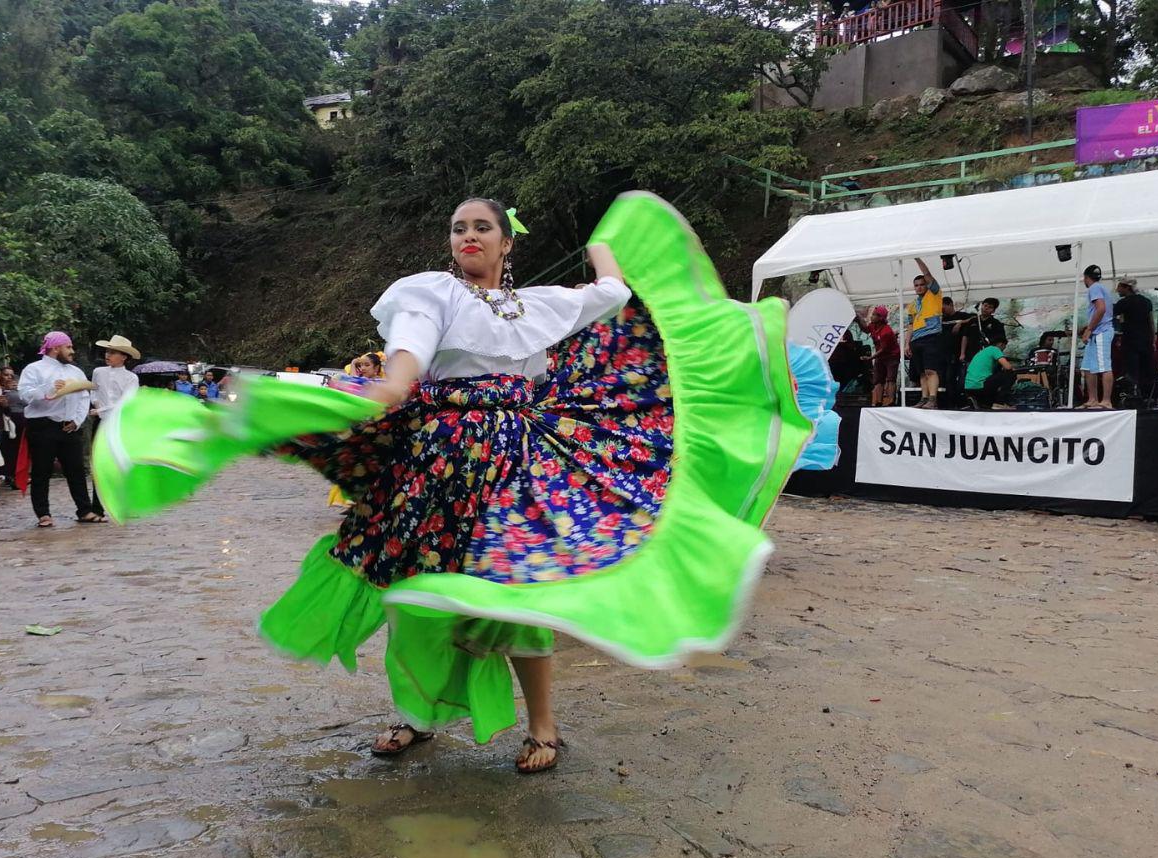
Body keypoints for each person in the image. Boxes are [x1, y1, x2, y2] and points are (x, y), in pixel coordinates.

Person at [92, 193, 838, 777]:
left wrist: (604, 245)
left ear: (507, 243)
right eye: (458, 229)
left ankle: (543, 727)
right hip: (438, 463)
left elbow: (610, 294)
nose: (468, 237)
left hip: (520, 464)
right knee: (415, 587)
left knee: (525, 586)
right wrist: (388, 387)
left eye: (482, 227)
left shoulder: (539, 305)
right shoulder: (430, 294)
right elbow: (407, 361)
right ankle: (418, 716)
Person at [17, 331, 99, 526]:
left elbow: (84, 397)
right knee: (41, 471)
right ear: (55, 348)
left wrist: (77, 420)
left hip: (69, 426)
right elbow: (24, 395)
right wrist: (50, 388)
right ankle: (43, 514)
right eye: (68, 347)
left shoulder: (75, 371)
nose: (72, 351)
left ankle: (85, 510)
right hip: (43, 425)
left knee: (76, 470)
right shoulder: (34, 369)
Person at [88, 335, 141, 517]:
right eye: (107, 352)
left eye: (112, 352)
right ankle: (97, 506)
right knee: (99, 464)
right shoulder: (98, 372)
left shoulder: (131, 378)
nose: (108, 355)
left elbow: (126, 402)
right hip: (101, 421)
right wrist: (97, 405)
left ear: (124, 356)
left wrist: (101, 409)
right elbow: (94, 392)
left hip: (119, 424)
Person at [904, 258, 944, 408]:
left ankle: (933, 399)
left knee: (930, 370)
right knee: (921, 372)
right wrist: (907, 344)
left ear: (927, 284)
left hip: (931, 337)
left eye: (922, 284)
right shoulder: (913, 304)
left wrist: (917, 258)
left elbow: (927, 274)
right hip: (916, 339)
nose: (919, 287)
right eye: (916, 285)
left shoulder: (934, 293)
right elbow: (910, 325)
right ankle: (924, 398)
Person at [1079, 265, 1115, 409]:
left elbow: (1101, 308)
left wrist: (1089, 329)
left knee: (1104, 366)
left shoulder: (1094, 288)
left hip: (1101, 331)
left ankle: (1106, 400)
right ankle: (1092, 399)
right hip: (1096, 332)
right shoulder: (1101, 288)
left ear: (1086, 277)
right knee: (1088, 366)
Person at [1113, 275, 1155, 398]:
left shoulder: (1123, 303)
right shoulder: (1146, 301)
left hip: (1130, 343)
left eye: (1119, 287)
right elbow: (1151, 322)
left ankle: (1132, 397)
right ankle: (1146, 398)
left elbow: (1111, 318)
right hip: (1146, 342)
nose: (1117, 290)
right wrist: (1152, 340)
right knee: (1145, 372)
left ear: (1127, 287)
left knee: (1131, 372)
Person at [854, 305, 900, 406]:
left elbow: (883, 349)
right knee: (878, 379)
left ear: (881, 318)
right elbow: (866, 329)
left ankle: (890, 401)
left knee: (890, 378)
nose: (871, 316)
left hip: (892, 356)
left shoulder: (886, 331)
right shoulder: (873, 325)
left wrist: (870, 358)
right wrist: (858, 320)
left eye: (874, 315)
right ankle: (878, 402)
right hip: (880, 356)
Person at [964, 336, 1016, 409]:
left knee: (994, 377)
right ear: (1001, 344)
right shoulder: (994, 349)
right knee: (1011, 374)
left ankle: (982, 402)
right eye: (1004, 347)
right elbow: (1008, 367)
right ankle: (999, 402)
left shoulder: (982, 352)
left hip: (969, 387)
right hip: (981, 385)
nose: (1003, 350)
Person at [941, 298, 975, 408]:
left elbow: (974, 317)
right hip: (945, 354)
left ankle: (960, 402)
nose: (943, 311)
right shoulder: (942, 319)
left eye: (944, 308)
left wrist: (961, 323)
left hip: (958, 352)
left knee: (959, 378)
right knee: (947, 379)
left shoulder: (961, 315)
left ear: (950, 304)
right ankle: (949, 403)